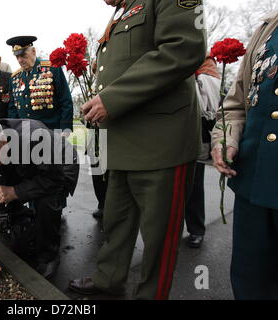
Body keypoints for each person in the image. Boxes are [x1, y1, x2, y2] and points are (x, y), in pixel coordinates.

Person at [69, 0, 206, 300]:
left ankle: (152, 293)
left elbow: (184, 48)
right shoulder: (123, 11)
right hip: (121, 141)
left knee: (160, 236)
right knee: (116, 222)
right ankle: (109, 279)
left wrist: (113, 97)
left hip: (161, 142)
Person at [0, 114, 79, 279]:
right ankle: (29, 223)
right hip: (25, 168)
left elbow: (54, 180)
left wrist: (15, 191)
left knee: (47, 202)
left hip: (59, 164)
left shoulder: (34, 137)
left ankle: (48, 254)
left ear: (3, 141)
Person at [211, 11, 278, 300]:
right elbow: (237, 104)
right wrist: (225, 138)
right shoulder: (267, 27)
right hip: (252, 182)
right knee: (249, 282)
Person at [185, 55, 221, 248]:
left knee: (193, 184)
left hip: (195, 130)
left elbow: (211, 99)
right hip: (166, 129)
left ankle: (196, 229)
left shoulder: (204, 59)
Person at [6, 36, 74, 132]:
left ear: (33, 51)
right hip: (24, 135)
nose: (20, 60)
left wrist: (65, 129)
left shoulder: (52, 69)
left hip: (50, 132)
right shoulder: (14, 78)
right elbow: (13, 109)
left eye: (23, 55)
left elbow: (65, 101)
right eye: (17, 57)